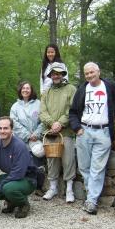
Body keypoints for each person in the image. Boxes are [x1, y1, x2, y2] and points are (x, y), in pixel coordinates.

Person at [69, 62, 115, 215]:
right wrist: (77, 128)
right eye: (86, 73)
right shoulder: (82, 90)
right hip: (84, 131)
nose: (89, 75)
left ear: (98, 72)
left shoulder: (110, 87)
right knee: (84, 167)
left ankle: (92, 201)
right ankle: (90, 197)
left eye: (92, 72)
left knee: (97, 168)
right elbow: (73, 111)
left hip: (104, 132)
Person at [0, 117, 37, 219]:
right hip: (12, 177)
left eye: (5, 128)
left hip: (27, 179)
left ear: (11, 129)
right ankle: (12, 201)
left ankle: (23, 204)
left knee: (7, 188)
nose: (2, 131)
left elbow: (18, 173)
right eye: (0, 128)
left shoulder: (19, 146)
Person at [39, 63, 77, 203]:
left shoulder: (71, 89)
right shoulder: (46, 92)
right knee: (51, 160)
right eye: (53, 73)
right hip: (50, 132)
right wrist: (51, 123)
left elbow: (72, 109)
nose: (56, 75)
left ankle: (69, 189)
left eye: (59, 73)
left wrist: (60, 123)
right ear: (50, 75)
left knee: (68, 160)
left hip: (66, 132)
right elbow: (42, 112)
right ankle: (53, 188)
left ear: (63, 74)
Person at [9, 81, 45, 196]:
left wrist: (36, 134)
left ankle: (39, 187)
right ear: (20, 90)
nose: (25, 90)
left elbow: (43, 121)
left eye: (28, 88)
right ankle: (24, 186)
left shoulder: (39, 104)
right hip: (21, 140)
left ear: (31, 90)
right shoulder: (15, 106)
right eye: (23, 88)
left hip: (36, 140)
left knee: (38, 164)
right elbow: (14, 123)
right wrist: (27, 135)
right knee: (23, 164)